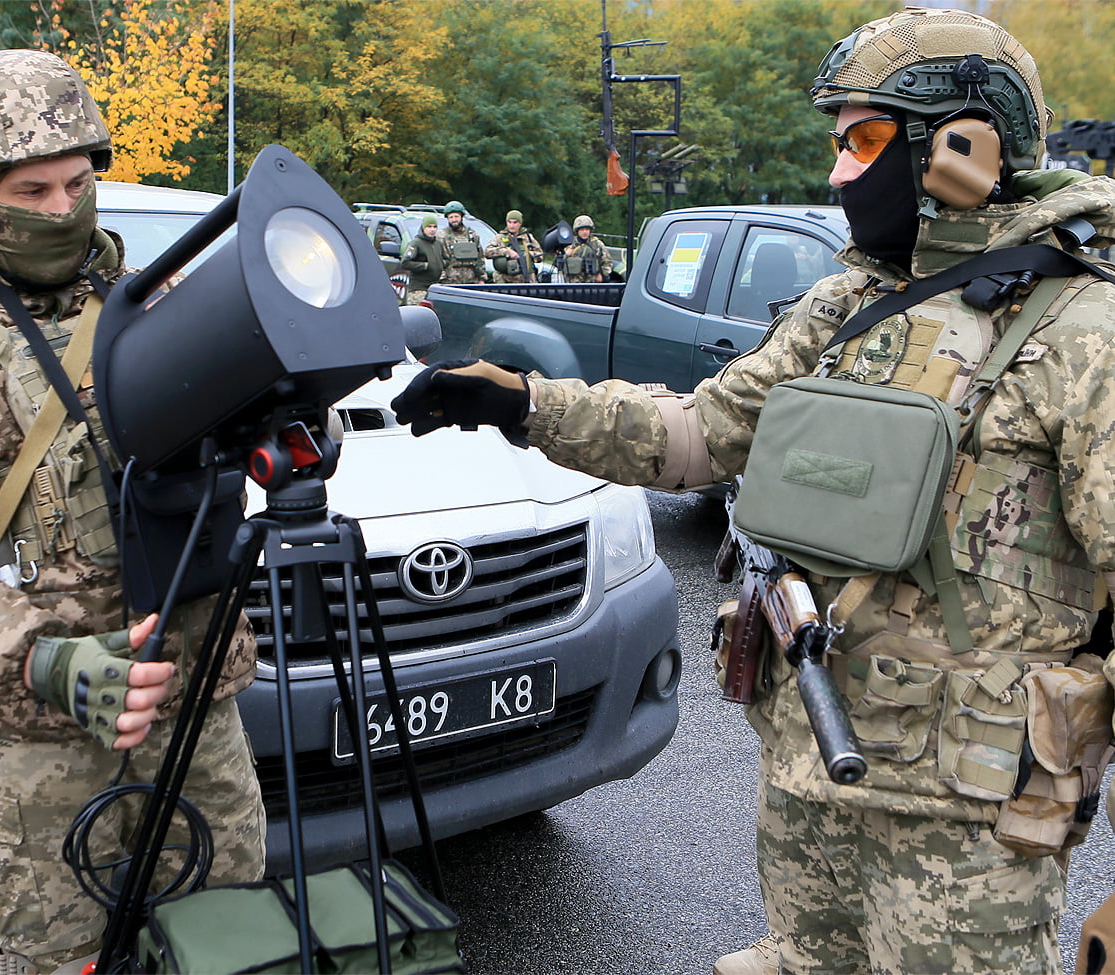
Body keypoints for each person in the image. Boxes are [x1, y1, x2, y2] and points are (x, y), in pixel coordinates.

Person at [390, 8, 1115, 974]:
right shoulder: (848, 307)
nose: (837, 172)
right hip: (810, 768)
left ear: (962, 145)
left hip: (968, 824)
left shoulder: (1083, 330)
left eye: (861, 140)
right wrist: (524, 403)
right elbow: (699, 436)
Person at [0, 50, 265, 975]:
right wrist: (43, 658)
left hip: (194, 717)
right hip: (39, 752)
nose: (61, 209)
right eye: (31, 189)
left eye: (78, 183)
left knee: (227, 952)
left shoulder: (160, 307)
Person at [484, 209, 544, 284]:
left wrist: (529, 255)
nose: (512, 225)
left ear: (520, 223)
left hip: (526, 279)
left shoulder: (528, 237)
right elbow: (487, 252)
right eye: (509, 222)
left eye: (515, 222)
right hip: (506, 280)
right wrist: (507, 251)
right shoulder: (500, 237)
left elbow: (540, 255)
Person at [400, 213, 448, 305]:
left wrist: (439, 265)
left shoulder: (438, 244)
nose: (432, 230)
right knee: (417, 315)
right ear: (423, 228)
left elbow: (447, 259)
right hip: (418, 289)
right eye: (429, 227)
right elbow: (405, 262)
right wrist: (425, 266)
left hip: (434, 288)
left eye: (434, 227)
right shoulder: (415, 243)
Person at [440, 200, 485, 285]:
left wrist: (481, 278)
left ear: (461, 216)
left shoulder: (472, 235)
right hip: (451, 281)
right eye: (451, 217)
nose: (454, 220)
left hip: (472, 281)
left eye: (456, 216)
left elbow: (480, 258)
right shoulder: (442, 236)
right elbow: (439, 260)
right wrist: (443, 280)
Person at [563, 215, 613, 283]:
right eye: (582, 230)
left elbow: (607, 261)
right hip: (573, 284)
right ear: (577, 231)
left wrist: (603, 275)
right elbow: (558, 264)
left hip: (592, 284)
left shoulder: (597, 244)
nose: (585, 232)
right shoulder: (569, 245)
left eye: (587, 229)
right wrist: (566, 255)